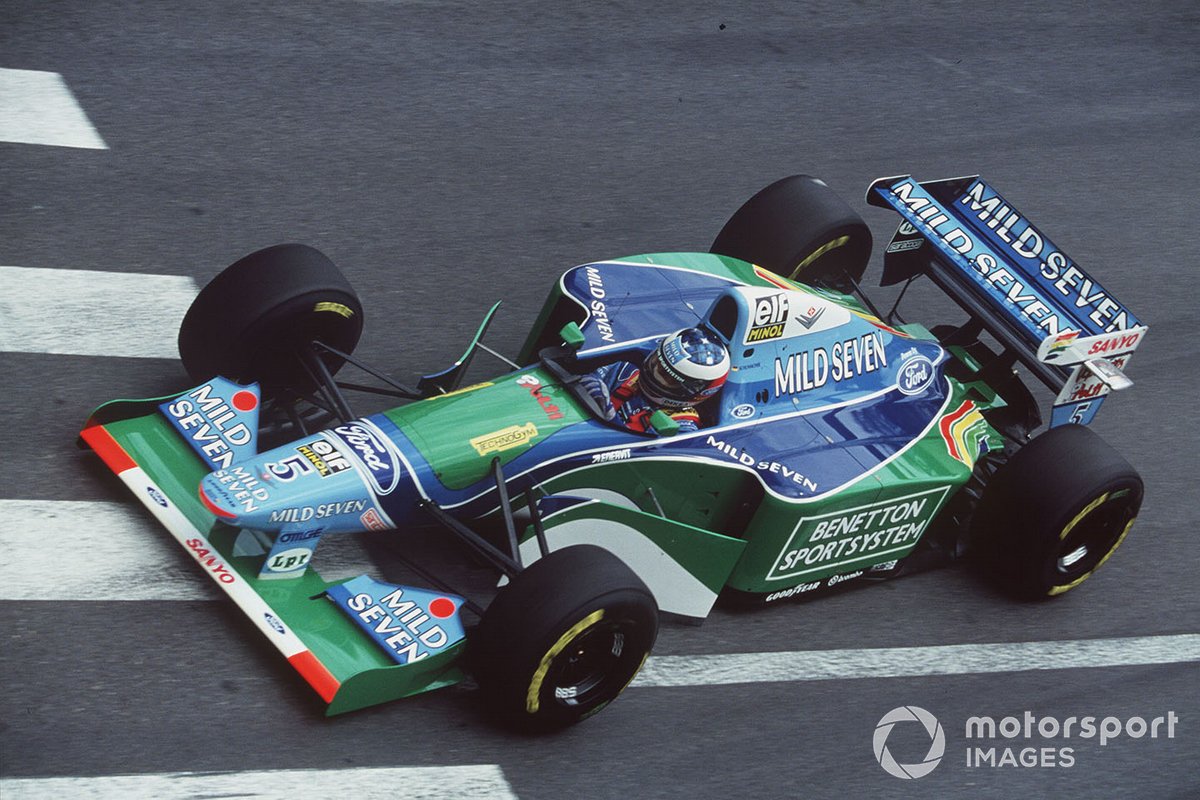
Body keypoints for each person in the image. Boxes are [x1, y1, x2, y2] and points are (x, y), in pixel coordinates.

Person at [580, 327, 730, 434]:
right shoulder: (626, 371)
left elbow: (636, 460)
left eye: (668, 378)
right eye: (657, 364)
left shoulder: (682, 426)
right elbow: (583, 380)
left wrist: (611, 420)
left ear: (696, 391)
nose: (656, 373)